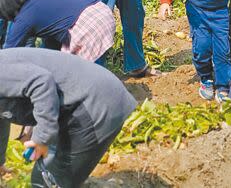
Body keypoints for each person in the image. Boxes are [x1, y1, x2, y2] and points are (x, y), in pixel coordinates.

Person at [0, 48, 136, 187]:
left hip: (93, 103)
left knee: (50, 181)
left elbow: (41, 82)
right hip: (75, 106)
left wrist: (42, 137)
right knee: (45, 175)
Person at [0, 0, 115, 61]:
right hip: (101, 11)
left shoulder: (24, 17)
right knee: (67, 65)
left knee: (73, 72)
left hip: (87, 24)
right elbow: (53, 43)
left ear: (5, 6)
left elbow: (9, 52)